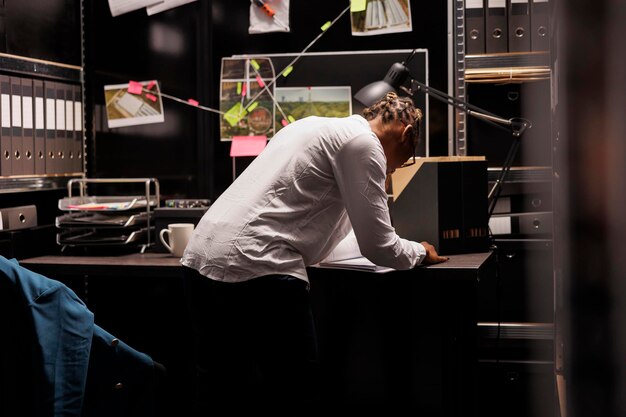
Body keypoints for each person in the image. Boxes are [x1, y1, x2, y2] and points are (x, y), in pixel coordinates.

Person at [181, 92, 449, 415]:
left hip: (200, 256)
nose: (394, 171)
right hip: (258, 266)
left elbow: (321, 223)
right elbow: (378, 245)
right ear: (406, 135)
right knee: (297, 395)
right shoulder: (366, 145)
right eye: (402, 161)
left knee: (218, 391)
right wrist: (418, 251)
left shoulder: (310, 126)